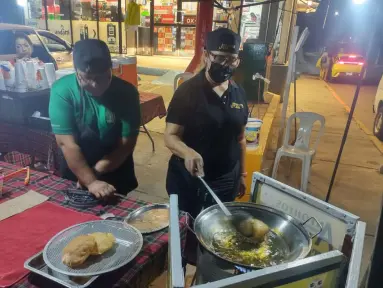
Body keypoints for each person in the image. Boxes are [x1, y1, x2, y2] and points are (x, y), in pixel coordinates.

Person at [165, 28, 248, 218]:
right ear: (206, 56)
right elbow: (170, 136)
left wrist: (242, 175)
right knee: (186, 228)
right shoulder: (187, 92)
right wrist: (187, 152)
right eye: (219, 57)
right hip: (191, 180)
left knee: (219, 229)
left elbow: (241, 138)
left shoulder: (238, 92)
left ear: (237, 61)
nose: (225, 64)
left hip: (227, 178)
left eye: (231, 59)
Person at [49, 39, 140, 198]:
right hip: (75, 165)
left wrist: (96, 172)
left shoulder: (127, 93)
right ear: (76, 71)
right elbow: (66, 143)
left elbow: (126, 144)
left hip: (115, 164)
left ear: (111, 69)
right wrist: (89, 180)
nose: (95, 84)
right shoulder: (63, 91)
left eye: (102, 78)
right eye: (87, 78)